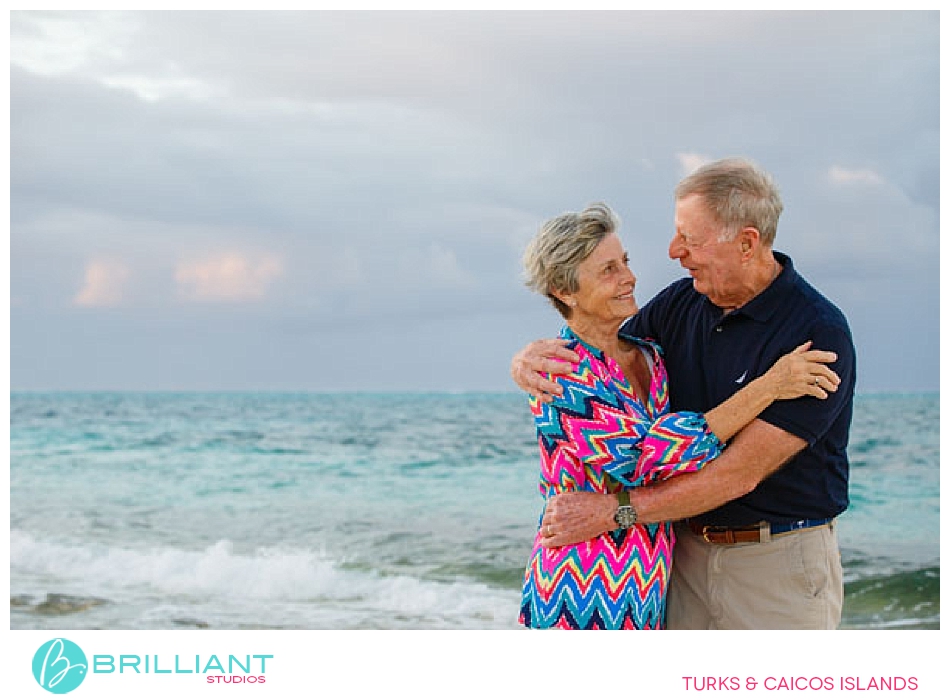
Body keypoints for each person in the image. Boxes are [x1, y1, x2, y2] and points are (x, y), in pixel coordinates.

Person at [513, 158, 856, 630]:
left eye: (689, 239)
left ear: (746, 242)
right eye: (610, 268)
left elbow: (738, 474)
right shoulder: (676, 308)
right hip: (640, 572)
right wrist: (525, 358)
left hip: (773, 563)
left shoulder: (816, 332)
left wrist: (615, 512)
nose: (674, 252)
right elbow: (605, 371)